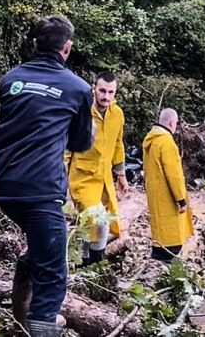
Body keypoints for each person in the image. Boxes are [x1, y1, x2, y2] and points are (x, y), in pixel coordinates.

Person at [0, 15, 93, 337]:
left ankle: (21, 319)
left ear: (33, 44)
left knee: (37, 253)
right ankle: (41, 325)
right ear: (68, 48)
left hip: (4, 187)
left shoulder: (10, 80)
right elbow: (80, 143)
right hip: (41, 192)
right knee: (53, 275)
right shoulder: (78, 89)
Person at [65, 71, 128, 266]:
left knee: (96, 223)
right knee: (97, 220)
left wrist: (121, 174)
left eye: (111, 92)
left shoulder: (117, 114)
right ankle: (92, 263)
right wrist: (60, 177)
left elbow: (118, 145)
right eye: (102, 91)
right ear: (94, 89)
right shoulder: (81, 112)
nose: (106, 96)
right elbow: (67, 147)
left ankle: (87, 262)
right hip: (81, 178)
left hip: (104, 180)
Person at [142, 108, 194, 261]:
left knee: (159, 238)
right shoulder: (166, 142)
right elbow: (174, 175)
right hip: (167, 197)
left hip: (154, 194)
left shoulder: (151, 140)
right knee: (172, 241)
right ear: (172, 122)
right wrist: (181, 200)